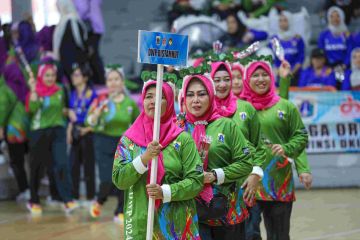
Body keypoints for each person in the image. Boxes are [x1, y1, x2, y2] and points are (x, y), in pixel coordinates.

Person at [112, 80, 204, 239]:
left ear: (169, 103)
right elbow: (119, 180)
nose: (153, 101)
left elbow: (196, 181)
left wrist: (165, 192)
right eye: (149, 96)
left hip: (177, 224)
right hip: (140, 224)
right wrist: (143, 159)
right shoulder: (128, 141)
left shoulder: (183, 140)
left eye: (160, 96)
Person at [240, 58, 312, 240]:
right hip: (249, 184)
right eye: (255, 75)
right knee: (248, 235)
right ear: (247, 80)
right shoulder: (240, 109)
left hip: (278, 183)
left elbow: (300, 136)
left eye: (265, 74)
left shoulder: (285, 106)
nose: (260, 79)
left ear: (271, 78)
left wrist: (294, 158)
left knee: (279, 236)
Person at [181, 74, 253, 239]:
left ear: (211, 96)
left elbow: (245, 163)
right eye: (190, 95)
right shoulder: (178, 129)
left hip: (227, 214)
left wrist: (215, 175)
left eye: (201, 94)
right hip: (192, 215)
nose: (196, 100)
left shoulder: (226, 125)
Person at [211, 61, 266, 239]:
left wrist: (255, 174)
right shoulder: (204, 110)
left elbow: (259, 145)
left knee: (248, 232)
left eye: (227, 79)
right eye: (217, 79)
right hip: (211, 192)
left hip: (243, 186)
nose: (223, 84)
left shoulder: (246, 108)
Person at [86, 66, 139, 222]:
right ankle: (99, 200)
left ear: (122, 82)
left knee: (123, 178)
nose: (113, 83)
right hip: (103, 142)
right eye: (110, 79)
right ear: (106, 82)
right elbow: (89, 121)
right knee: (106, 179)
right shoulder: (100, 100)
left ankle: (119, 211)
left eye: (117, 79)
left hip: (123, 144)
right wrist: (95, 114)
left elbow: (138, 123)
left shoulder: (130, 103)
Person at [26, 63, 77, 215]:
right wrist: (33, 91)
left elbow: (63, 108)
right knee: (37, 167)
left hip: (58, 130)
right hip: (39, 132)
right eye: (47, 75)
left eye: (53, 75)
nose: (50, 78)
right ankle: (33, 200)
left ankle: (67, 200)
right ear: (41, 77)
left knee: (62, 164)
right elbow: (32, 110)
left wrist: (69, 112)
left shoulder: (61, 89)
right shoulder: (36, 91)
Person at [67, 63, 97, 205]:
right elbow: (71, 113)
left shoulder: (92, 93)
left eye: (77, 75)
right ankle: (75, 196)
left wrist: (86, 129)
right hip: (75, 130)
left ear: (85, 78)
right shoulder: (73, 93)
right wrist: (69, 131)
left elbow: (96, 117)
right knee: (73, 164)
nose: (74, 77)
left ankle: (91, 197)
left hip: (87, 131)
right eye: (73, 75)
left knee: (88, 165)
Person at [0, 62, 30, 201]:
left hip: (13, 130)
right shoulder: (25, 87)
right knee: (26, 159)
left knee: (16, 161)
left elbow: (2, 109)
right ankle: (30, 189)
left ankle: (25, 190)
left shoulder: (5, 89)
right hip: (27, 129)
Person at [53, 0, 88, 82]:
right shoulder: (67, 21)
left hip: (73, 60)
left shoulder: (71, 21)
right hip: (70, 59)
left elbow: (78, 40)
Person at [73, 0, 105, 84]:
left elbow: (83, 9)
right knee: (93, 55)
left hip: (90, 28)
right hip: (96, 27)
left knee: (91, 55)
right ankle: (100, 81)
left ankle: (100, 81)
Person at [270, 11, 305, 85]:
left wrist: (291, 72)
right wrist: (280, 73)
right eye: (280, 20)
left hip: (295, 75)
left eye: (285, 20)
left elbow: (300, 58)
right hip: (279, 74)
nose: (282, 23)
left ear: (290, 21)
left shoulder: (298, 38)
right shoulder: (274, 39)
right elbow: (274, 59)